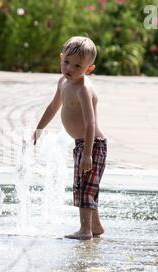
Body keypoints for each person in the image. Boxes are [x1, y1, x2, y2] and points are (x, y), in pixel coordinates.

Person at [33, 36, 107, 240]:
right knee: (87, 185)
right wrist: (39, 129)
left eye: (77, 66)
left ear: (89, 69)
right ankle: (96, 226)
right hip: (82, 145)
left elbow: (90, 123)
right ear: (61, 57)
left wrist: (88, 154)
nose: (69, 68)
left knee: (84, 187)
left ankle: (85, 230)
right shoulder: (63, 82)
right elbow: (53, 106)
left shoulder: (83, 89)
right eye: (66, 62)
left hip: (93, 145)